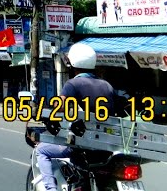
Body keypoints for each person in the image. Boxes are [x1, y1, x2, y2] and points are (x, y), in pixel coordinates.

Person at [33, 43, 115, 191]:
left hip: (82, 145)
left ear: (72, 64)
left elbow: (59, 109)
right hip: (105, 144)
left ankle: (51, 189)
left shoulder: (73, 84)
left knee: (41, 150)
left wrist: (47, 115)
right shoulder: (107, 86)